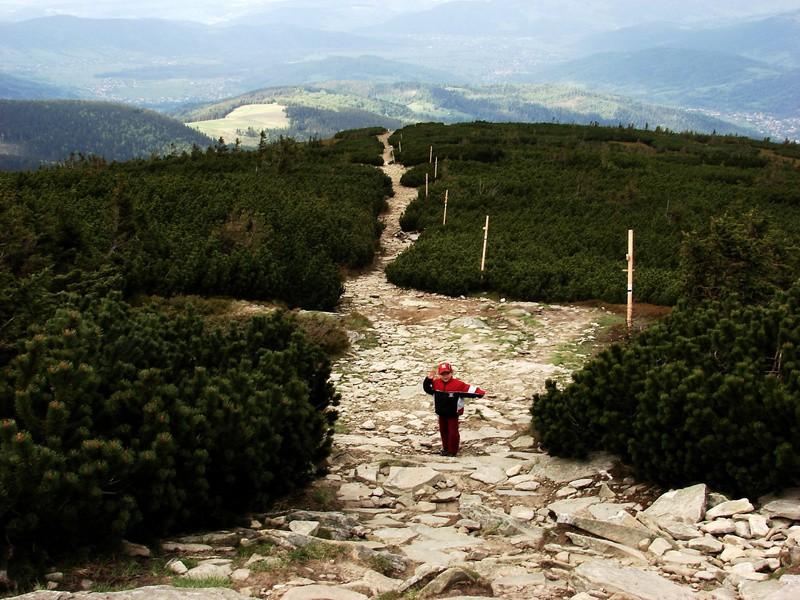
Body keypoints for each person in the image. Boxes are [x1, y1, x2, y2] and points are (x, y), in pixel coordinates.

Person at [423, 362, 486, 457]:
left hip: (453, 413)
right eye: (443, 374)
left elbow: (470, 389)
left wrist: (480, 393)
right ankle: (445, 449)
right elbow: (427, 388)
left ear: (451, 373)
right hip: (441, 413)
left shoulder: (458, 384)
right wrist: (428, 379)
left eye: (447, 373)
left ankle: (452, 451)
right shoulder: (436, 383)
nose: (445, 376)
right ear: (439, 375)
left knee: (453, 433)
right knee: (443, 431)